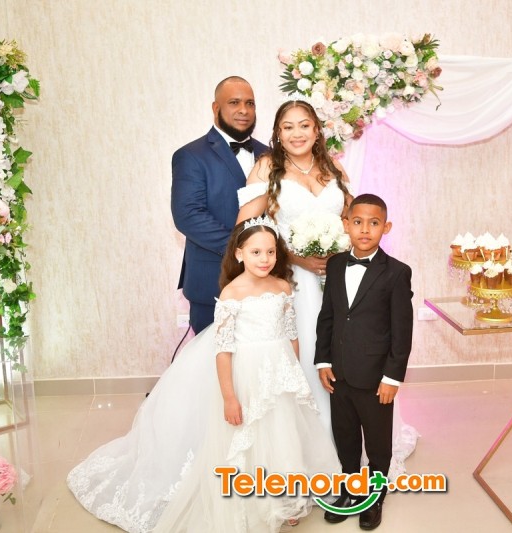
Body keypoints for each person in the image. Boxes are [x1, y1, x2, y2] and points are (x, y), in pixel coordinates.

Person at [67, 217, 340, 533]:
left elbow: (291, 335)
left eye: (270, 252)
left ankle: (283, 499)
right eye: (255, 252)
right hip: (246, 376)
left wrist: (293, 371)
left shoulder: (281, 287)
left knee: (282, 433)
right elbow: (223, 350)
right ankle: (251, 498)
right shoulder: (232, 294)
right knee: (249, 438)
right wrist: (229, 397)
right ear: (239, 254)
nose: (264, 259)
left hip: (279, 376)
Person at [236, 100, 419, 478]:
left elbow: (355, 217)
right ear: (278, 133)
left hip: (340, 279)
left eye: (304, 125)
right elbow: (246, 225)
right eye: (288, 127)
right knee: (308, 359)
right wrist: (291, 256)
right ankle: (310, 455)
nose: (297, 133)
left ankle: (353, 449)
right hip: (296, 282)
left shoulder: (334, 167)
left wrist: (342, 251)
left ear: (317, 130)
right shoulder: (267, 167)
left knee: (353, 352)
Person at [315, 194, 413, 531]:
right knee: (345, 437)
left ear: (386, 227)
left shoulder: (397, 273)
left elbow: (402, 331)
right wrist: (323, 360)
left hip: (375, 378)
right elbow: (328, 317)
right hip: (339, 373)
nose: (365, 230)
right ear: (346, 225)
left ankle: (375, 495)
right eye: (357, 222)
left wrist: (392, 378)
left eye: (374, 223)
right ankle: (349, 489)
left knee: (377, 441)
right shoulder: (335, 265)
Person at [172, 76, 268, 333]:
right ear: (216, 108)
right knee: (213, 355)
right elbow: (188, 216)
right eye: (234, 102)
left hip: (265, 281)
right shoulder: (190, 155)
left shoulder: (269, 154)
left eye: (250, 103)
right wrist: (245, 250)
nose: (244, 110)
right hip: (211, 281)